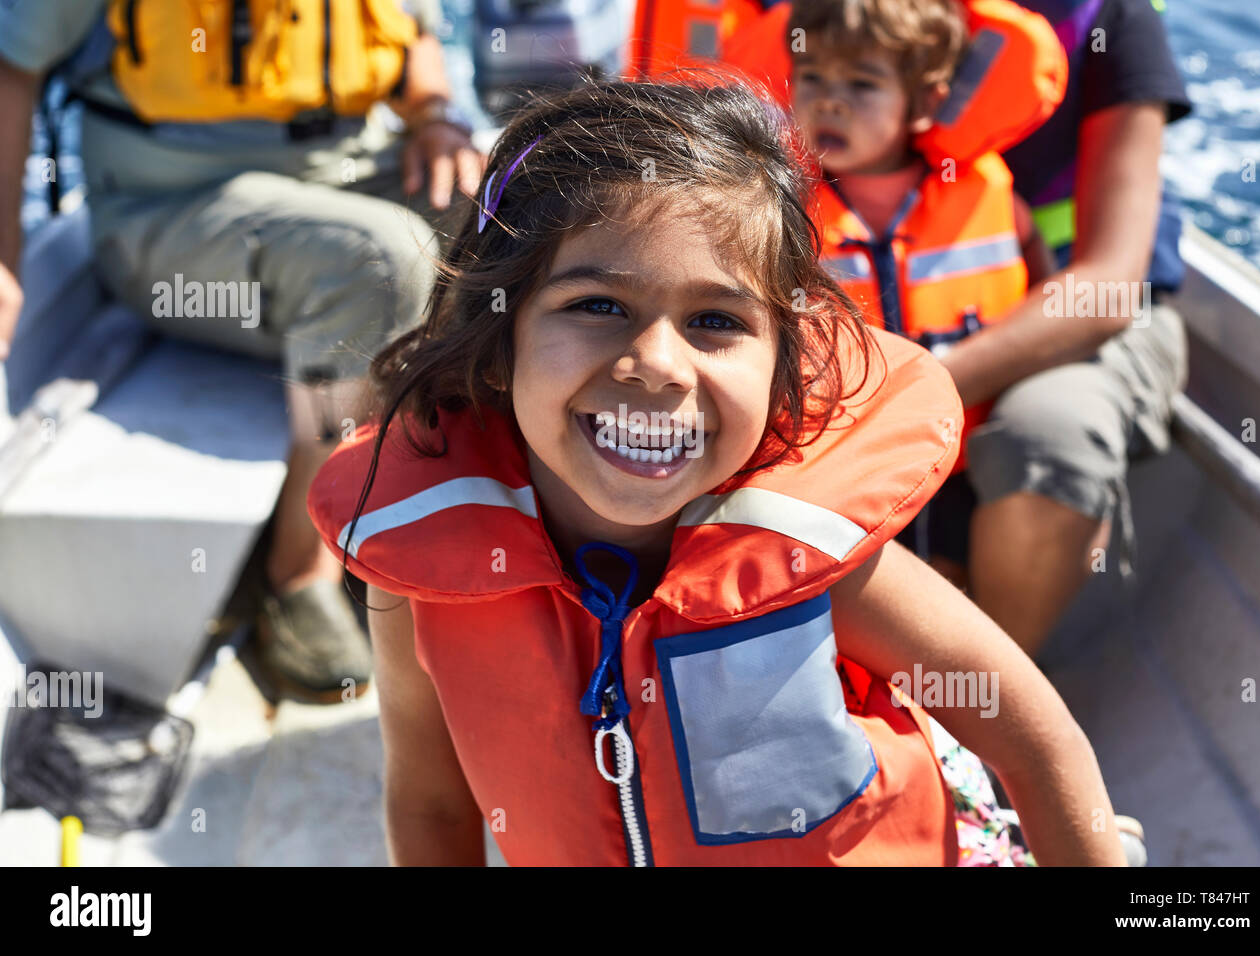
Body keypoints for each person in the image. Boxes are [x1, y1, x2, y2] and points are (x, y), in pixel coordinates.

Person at [307, 77, 1128, 865]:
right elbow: (432, 805)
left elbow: (1034, 742)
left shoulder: (812, 556)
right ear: (499, 342)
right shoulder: (419, 572)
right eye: (596, 305)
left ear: (780, 371)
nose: (657, 364)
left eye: (715, 320)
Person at [0, 0, 487, 701]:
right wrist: (6, 261)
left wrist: (436, 121)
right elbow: (13, 67)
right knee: (373, 259)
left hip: (343, 171)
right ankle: (300, 574)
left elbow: (414, 36)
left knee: (512, 211)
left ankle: (448, 508)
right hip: (169, 210)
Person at [782, 0, 1062, 585]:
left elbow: (1040, 280)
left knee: (949, 582)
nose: (830, 101)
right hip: (835, 469)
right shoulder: (775, 208)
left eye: (862, 83)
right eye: (813, 78)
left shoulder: (983, 190)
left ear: (927, 102)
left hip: (958, 464)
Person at [954, 0, 1192, 659]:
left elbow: (1109, 287)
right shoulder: (866, 19)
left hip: (1086, 319)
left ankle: (978, 722)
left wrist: (915, 389)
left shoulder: (1117, 23)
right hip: (905, 311)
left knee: (1049, 438)